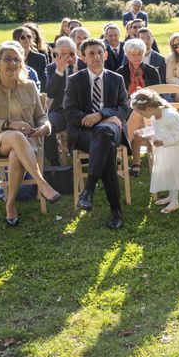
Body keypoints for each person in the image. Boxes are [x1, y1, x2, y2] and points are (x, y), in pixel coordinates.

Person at [0, 42, 62, 226]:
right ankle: (42, 183)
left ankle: (11, 204)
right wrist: (9, 124)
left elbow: (41, 117)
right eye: (7, 59)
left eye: (17, 60)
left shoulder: (29, 86)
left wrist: (45, 128)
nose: (13, 63)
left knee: (16, 153)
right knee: (15, 136)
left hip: (29, 141)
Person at [64, 38, 131, 230]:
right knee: (107, 148)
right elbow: (69, 112)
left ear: (106, 55)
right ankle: (115, 210)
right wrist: (90, 118)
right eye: (91, 54)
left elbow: (125, 108)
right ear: (83, 58)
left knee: (103, 133)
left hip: (112, 128)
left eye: (99, 53)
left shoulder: (116, 79)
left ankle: (89, 188)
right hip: (84, 133)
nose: (96, 57)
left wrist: (101, 115)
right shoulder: (74, 80)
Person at [130, 88, 179, 213]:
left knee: (173, 169)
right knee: (169, 168)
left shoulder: (169, 116)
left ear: (148, 108)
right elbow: (155, 128)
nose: (141, 116)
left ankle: (175, 201)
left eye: (141, 113)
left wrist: (164, 142)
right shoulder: (156, 114)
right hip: (171, 141)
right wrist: (142, 132)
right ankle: (171, 196)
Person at [116, 39, 161, 176]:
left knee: (138, 114)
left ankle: (120, 153)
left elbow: (157, 96)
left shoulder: (152, 71)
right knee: (137, 118)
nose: (136, 57)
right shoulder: (120, 72)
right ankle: (136, 163)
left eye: (139, 54)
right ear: (127, 55)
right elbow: (118, 97)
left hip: (150, 110)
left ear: (143, 54)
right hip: (126, 110)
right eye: (133, 54)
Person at [44, 37, 80, 166]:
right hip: (60, 111)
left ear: (75, 50)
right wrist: (59, 70)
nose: (68, 58)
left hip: (81, 110)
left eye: (71, 53)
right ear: (57, 54)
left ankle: (84, 156)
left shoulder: (84, 64)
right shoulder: (52, 68)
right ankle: (54, 162)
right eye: (64, 55)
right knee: (47, 126)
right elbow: (50, 93)